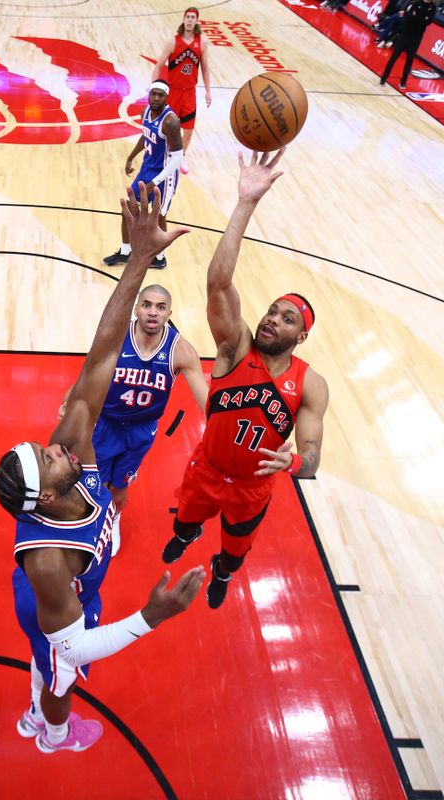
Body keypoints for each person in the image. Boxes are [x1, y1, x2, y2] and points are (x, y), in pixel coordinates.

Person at [0, 185, 206, 755]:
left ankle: (38, 707)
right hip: (59, 606)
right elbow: (78, 649)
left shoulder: (69, 460)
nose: (57, 445)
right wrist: (149, 617)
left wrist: (139, 259)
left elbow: (100, 357)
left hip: (81, 582)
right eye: (50, 457)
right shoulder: (46, 563)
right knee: (60, 672)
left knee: (53, 664)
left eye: (47, 447)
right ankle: (52, 732)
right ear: (48, 494)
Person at [160, 149, 329, 611]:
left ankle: (221, 572)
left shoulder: (310, 386)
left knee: (234, 553)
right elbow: (218, 283)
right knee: (183, 523)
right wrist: (245, 203)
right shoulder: (236, 348)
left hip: (253, 488)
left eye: (287, 318)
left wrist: (295, 464)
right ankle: (187, 534)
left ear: (302, 335)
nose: (274, 319)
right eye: (273, 311)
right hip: (207, 470)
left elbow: (312, 458)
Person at [59, 284, 209, 556]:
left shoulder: (181, 351)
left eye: (160, 307)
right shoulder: (115, 337)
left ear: (169, 313)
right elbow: (89, 370)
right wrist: (70, 399)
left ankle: (113, 519)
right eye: (147, 305)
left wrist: (223, 426)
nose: (153, 312)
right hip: (106, 424)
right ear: (137, 308)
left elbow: (208, 402)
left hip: (141, 432)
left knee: (119, 486)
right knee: (92, 482)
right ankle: (90, 522)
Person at [102, 80, 183, 270]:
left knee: (159, 215)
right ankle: (125, 251)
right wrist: (131, 157)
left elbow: (178, 159)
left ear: (166, 97)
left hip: (165, 174)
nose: (156, 98)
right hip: (147, 169)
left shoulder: (171, 121)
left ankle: (160, 257)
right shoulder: (145, 111)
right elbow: (146, 135)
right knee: (128, 209)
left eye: (160, 95)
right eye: (153, 94)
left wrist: (154, 182)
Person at [151, 7, 211, 176]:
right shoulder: (172, 42)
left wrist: (207, 91)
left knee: (189, 130)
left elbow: (205, 69)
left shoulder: (202, 43)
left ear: (197, 21)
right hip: (173, 92)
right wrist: (154, 87)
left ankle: (179, 158)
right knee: (167, 128)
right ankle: (161, 156)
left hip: (189, 93)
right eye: (188, 17)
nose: (190, 20)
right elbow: (159, 64)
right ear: (183, 19)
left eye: (193, 17)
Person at [380, 0, 437, 89]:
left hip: (416, 38)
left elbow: (429, 22)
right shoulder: (416, 3)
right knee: (394, 57)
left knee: (409, 60)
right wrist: (423, 18)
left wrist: (418, 17)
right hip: (405, 34)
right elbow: (409, 17)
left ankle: (403, 82)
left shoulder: (433, 7)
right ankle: (383, 78)